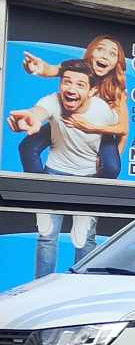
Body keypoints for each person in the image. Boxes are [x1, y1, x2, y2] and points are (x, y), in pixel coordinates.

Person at [8, 61, 111, 277]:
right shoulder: (53, 101)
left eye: (80, 84)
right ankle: (41, 289)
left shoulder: (103, 112)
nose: (71, 89)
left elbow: (116, 141)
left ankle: (81, 289)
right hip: (54, 175)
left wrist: (102, 184)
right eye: (67, 82)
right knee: (46, 235)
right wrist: (30, 119)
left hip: (88, 180)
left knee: (83, 238)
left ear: (92, 90)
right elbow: (38, 112)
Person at [17, 34, 129, 179]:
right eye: (100, 49)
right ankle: (39, 186)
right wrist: (37, 68)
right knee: (27, 147)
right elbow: (51, 69)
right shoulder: (77, 68)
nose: (105, 56)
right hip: (66, 125)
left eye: (112, 53)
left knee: (112, 167)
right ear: (91, 52)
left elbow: (123, 130)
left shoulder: (117, 89)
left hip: (99, 132)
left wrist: (90, 128)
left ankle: (89, 193)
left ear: (116, 62)